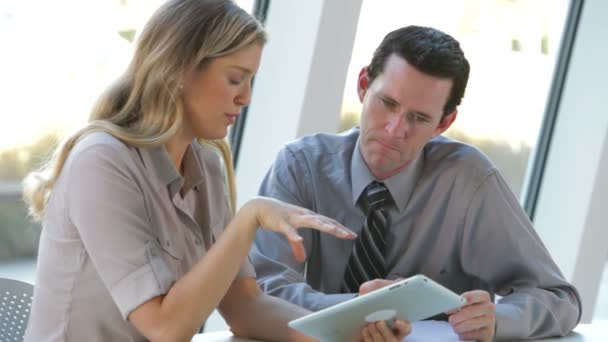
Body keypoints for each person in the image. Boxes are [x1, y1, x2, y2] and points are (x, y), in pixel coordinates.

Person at [21, 1, 411, 341]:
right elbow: (164, 327)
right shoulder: (102, 162)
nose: (246, 97)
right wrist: (248, 220)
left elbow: (244, 307)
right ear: (179, 70)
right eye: (235, 79)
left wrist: (347, 331)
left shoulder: (205, 163)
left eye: (251, 80)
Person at [250, 25, 582, 342]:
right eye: (388, 103)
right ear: (364, 85)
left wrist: (498, 318)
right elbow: (263, 288)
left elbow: (559, 299)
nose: (395, 130)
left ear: (444, 122)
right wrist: (353, 310)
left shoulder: (469, 181)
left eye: (419, 118)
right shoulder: (301, 167)